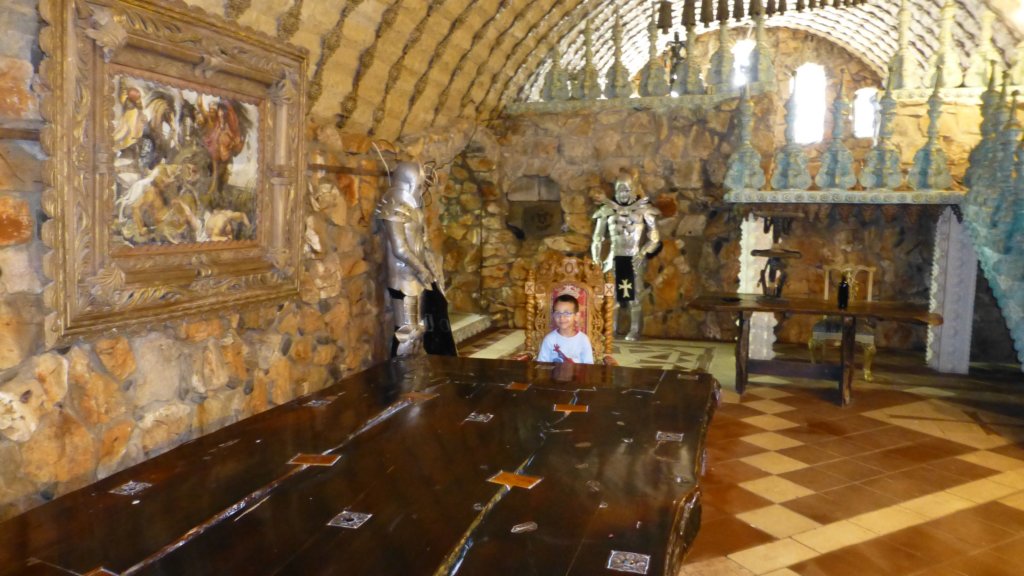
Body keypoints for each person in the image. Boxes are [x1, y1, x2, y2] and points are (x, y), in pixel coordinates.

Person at [375, 161, 447, 357]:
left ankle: (412, 372)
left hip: (416, 277)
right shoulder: (394, 205)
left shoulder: (415, 209)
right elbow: (399, 248)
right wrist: (422, 270)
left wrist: (434, 274)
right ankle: (400, 373)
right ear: (409, 182)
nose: (422, 189)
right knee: (407, 333)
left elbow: (424, 245)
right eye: (420, 184)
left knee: (419, 330)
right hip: (403, 277)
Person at [591, 169, 661, 341]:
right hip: (613, 259)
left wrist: (642, 253)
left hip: (634, 258)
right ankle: (611, 328)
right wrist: (596, 258)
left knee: (634, 296)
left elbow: (654, 238)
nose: (623, 194)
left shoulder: (644, 210)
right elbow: (597, 238)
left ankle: (634, 329)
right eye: (620, 190)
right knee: (611, 296)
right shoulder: (606, 210)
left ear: (634, 190)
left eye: (626, 190)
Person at [537, 294, 595, 364]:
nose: (562, 317)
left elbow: (588, 365)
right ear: (553, 315)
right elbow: (542, 364)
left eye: (567, 313)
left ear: (576, 316)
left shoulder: (583, 339)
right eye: (558, 313)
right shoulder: (549, 339)